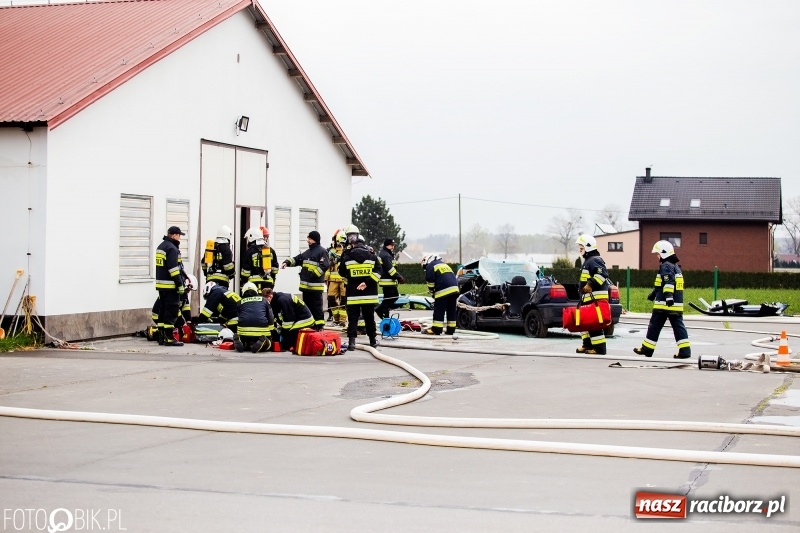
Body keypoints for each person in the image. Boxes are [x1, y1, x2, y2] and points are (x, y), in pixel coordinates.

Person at [634, 240, 691, 359]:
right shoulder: (675, 267)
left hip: (664, 305)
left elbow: (668, 282)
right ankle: (685, 351)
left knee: (654, 326)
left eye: (658, 253)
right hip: (676, 304)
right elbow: (664, 284)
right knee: (678, 327)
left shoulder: (666, 266)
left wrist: (668, 296)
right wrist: (654, 293)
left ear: (663, 253)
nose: (657, 256)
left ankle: (647, 349)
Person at [339, 231, 382, 350]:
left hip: (353, 295)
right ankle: (373, 341)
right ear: (364, 244)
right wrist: (366, 282)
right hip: (369, 295)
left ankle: (352, 343)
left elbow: (341, 272)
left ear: (353, 244)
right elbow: (379, 272)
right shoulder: (372, 256)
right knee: (369, 318)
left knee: (353, 319)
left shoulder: (347, 257)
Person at [282, 230, 330, 330]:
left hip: (315, 287)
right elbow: (297, 259)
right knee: (307, 308)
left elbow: (325, 265)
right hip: (306, 288)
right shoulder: (307, 253)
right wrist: (287, 262)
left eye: (309, 238)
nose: (307, 240)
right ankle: (310, 325)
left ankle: (319, 326)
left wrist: (313, 275)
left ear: (315, 240)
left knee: (316, 308)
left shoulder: (322, 251)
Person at [575, 234, 611, 355]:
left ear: (588, 247)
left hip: (595, 298)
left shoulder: (595, 260)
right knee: (585, 322)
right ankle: (587, 345)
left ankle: (599, 349)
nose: (580, 250)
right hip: (588, 298)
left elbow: (602, 274)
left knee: (594, 323)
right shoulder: (589, 260)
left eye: (581, 248)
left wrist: (590, 284)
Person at [154, 226, 186, 346]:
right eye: (179, 235)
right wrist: (179, 284)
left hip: (161, 285)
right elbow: (173, 269)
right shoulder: (172, 248)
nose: (180, 238)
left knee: (162, 309)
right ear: (174, 235)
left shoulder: (161, 246)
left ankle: (161, 336)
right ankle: (169, 338)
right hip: (171, 285)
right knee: (171, 310)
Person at [422, 254, 459, 335]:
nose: (426, 269)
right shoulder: (444, 265)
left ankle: (436, 330)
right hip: (455, 289)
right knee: (451, 310)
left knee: (439, 310)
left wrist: (432, 293)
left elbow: (430, 281)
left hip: (443, 290)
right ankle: (451, 330)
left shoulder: (430, 266)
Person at [235, 282, 274, 353]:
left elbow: (238, 316)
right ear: (256, 291)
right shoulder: (264, 300)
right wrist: (271, 330)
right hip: (261, 331)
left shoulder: (240, 302)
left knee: (246, 343)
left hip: (243, 331)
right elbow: (270, 316)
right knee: (269, 345)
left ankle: (241, 341)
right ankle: (264, 341)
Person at [374, 238, 405, 320]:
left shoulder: (388, 254)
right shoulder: (385, 255)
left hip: (391, 281)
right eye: (391, 245)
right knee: (389, 299)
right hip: (387, 282)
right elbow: (390, 269)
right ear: (386, 245)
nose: (393, 247)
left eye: (393, 245)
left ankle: (381, 310)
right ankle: (381, 311)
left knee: (394, 297)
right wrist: (399, 277)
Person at [325, 229, 348, 326]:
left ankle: (342, 320)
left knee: (344, 300)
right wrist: (326, 278)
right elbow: (328, 266)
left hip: (343, 280)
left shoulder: (347, 251)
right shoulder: (331, 251)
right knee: (331, 299)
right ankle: (336, 319)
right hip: (333, 280)